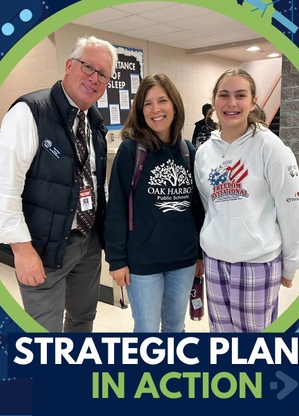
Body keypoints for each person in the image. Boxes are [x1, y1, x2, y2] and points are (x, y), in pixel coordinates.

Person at [0, 35, 118, 332]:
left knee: (83, 319)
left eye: (103, 74)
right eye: (87, 67)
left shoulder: (94, 123)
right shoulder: (30, 111)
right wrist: (22, 250)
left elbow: (92, 181)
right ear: (69, 66)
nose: (94, 78)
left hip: (87, 241)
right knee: (45, 333)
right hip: (42, 247)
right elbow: (5, 186)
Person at [194, 68, 299, 333]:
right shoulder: (204, 152)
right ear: (214, 101)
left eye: (240, 95)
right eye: (224, 95)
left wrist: (290, 263)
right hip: (216, 261)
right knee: (221, 340)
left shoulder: (271, 147)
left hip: (258, 262)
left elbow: (292, 210)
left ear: (253, 101)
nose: (231, 103)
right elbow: (208, 206)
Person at [104, 73, 204, 332]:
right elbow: (116, 208)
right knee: (146, 330)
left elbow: (197, 209)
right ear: (140, 110)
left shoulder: (188, 152)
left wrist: (200, 255)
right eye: (147, 103)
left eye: (162, 101)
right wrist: (116, 260)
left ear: (175, 105)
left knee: (175, 328)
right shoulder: (130, 151)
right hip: (142, 262)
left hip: (183, 259)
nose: (156, 109)